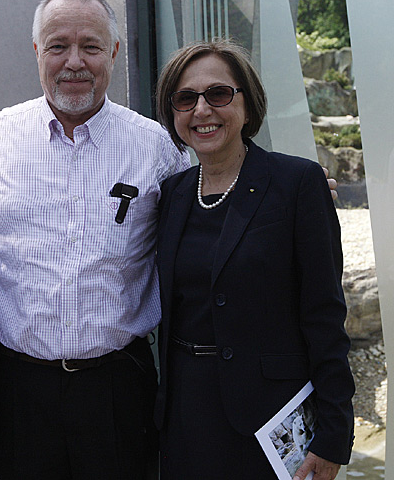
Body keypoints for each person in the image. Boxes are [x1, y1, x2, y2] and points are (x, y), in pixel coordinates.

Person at [0, 0, 189, 479]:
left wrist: (285, 188)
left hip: (119, 387)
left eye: (91, 46)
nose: (74, 62)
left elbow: (210, 223)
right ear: (37, 51)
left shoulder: (157, 148)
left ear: (115, 53)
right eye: (58, 45)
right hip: (20, 390)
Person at [152, 39, 355, 480]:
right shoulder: (172, 194)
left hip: (270, 418)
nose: (202, 110)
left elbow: (324, 314)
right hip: (185, 417)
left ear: (247, 104)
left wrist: (334, 433)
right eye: (186, 99)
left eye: (219, 94)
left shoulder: (297, 183)